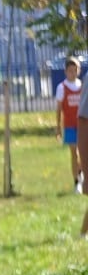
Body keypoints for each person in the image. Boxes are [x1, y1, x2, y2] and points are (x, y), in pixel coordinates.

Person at [55, 56, 83, 194]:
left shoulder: (83, 86)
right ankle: (76, 181)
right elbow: (59, 109)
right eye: (70, 70)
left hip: (83, 125)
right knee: (74, 153)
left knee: (84, 153)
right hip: (70, 125)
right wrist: (58, 127)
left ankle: (81, 172)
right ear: (66, 72)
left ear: (79, 70)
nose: (72, 73)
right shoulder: (62, 87)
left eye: (75, 70)